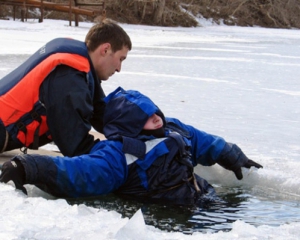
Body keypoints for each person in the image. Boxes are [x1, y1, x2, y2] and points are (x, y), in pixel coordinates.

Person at [0, 87, 262, 203]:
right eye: (145, 116)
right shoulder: (118, 153)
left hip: (203, 197)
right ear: (128, 124)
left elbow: (205, 142)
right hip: (172, 213)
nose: (155, 116)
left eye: (153, 110)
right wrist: (27, 166)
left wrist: (231, 154)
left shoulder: (172, 127)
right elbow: (79, 172)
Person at [0, 19, 132, 157]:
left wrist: (138, 134)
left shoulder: (78, 60)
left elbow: (101, 111)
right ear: (105, 49)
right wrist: (117, 156)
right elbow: (76, 146)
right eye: (121, 59)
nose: (119, 69)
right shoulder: (69, 79)